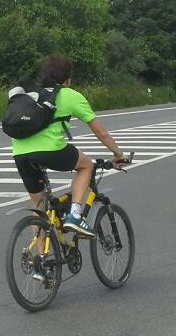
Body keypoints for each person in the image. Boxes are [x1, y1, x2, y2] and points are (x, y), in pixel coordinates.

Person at [11, 54, 128, 238]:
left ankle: (39, 263)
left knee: (40, 207)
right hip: (50, 150)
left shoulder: (31, 95)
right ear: (67, 80)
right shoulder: (70, 95)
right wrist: (118, 154)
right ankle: (74, 215)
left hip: (20, 154)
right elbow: (101, 132)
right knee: (86, 165)